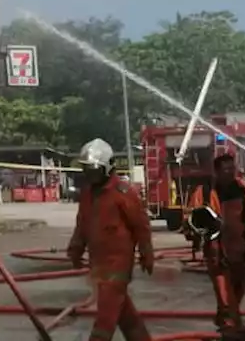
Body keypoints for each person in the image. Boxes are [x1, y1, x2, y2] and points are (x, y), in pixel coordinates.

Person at [68, 138, 154, 341]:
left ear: (107, 167)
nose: (90, 175)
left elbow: (141, 226)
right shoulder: (88, 193)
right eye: (87, 170)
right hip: (98, 264)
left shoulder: (123, 193)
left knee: (105, 319)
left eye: (94, 170)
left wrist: (146, 253)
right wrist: (76, 248)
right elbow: (83, 224)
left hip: (118, 266)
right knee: (125, 315)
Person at [184, 153, 245, 337]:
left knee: (238, 288)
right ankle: (231, 326)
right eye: (226, 169)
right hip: (217, 251)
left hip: (240, 248)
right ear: (217, 172)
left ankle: (225, 319)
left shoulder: (242, 190)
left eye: (232, 169)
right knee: (224, 292)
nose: (230, 173)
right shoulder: (204, 192)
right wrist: (195, 232)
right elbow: (191, 218)